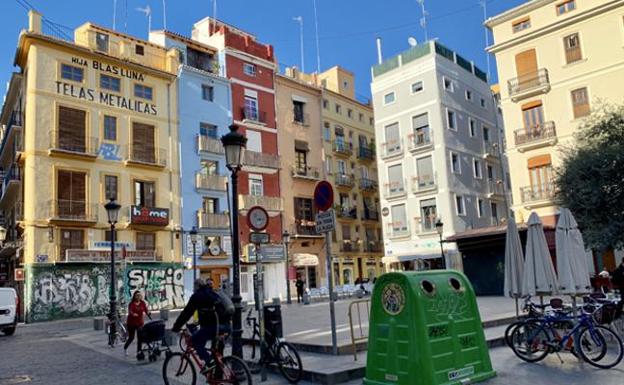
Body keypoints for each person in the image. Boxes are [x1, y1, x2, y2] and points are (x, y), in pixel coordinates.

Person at [171, 278, 222, 373]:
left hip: (212, 327)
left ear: (197, 286)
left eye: (194, 286)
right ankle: (217, 374)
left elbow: (186, 313)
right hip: (224, 326)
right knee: (203, 342)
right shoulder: (212, 293)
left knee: (194, 341)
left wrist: (176, 327)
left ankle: (210, 362)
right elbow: (209, 312)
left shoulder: (197, 296)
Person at [124, 291, 150, 359]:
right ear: (134, 296)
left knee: (140, 338)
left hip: (140, 323)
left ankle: (139, 351)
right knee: (131, 338)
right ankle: (125, 348)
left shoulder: (142, 303)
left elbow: (146, 310)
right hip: (131, 323)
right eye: (137, 295)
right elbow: (130, 311)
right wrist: (133, 314)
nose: (138, 297)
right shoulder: (131, 304)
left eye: (139, 295)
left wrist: (148, 313)